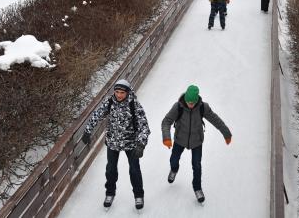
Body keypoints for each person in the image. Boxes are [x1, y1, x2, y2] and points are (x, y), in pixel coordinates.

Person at [81, 79, 150, 210]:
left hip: (131, 143)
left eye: (122, 92)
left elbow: (144, 126)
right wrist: (87, 131)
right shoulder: (110, 102)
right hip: (113, 142)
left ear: (127, 92)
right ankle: (110, 193)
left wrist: (141, 144)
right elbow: (97, 115)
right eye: (117, 92)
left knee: (134, 170)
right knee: (111, 170)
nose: (119, 95)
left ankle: (138, 195)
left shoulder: (134, 105)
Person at [161, 85, 232, 203]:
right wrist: (166, 138)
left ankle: (197, 188)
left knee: (197, 165)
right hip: (180, 139)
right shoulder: (178, 106)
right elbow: (166, 121)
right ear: (185, 99)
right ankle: (174, 169)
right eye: (188, 102)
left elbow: (215, 119)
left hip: (196, 141)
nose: (190, 104)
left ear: (197, 99)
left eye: (193, 102)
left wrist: (226, 133)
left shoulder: (202, 107)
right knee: (174, 159)